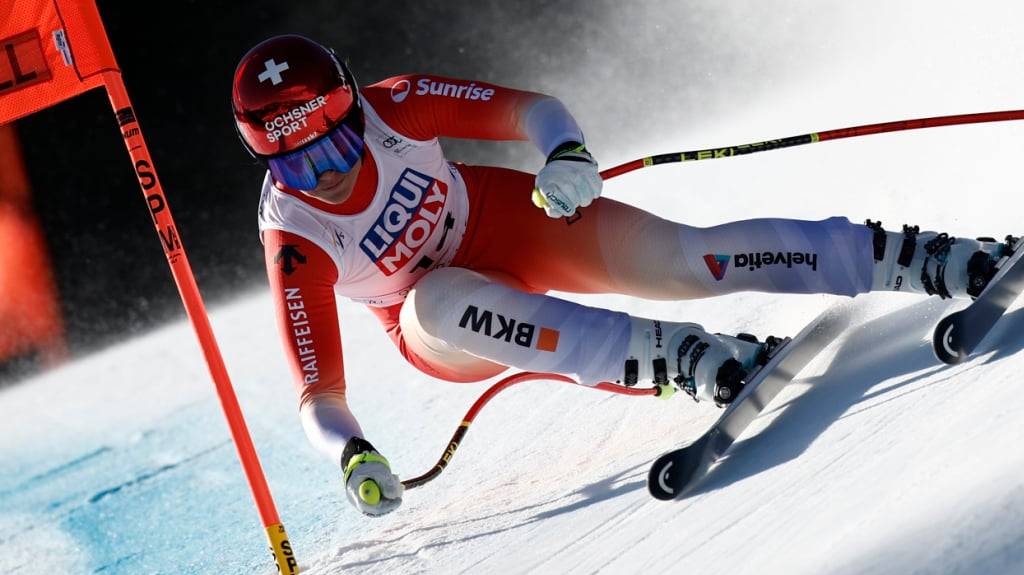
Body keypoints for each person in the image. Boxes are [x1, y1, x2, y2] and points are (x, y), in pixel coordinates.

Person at [231, 34, 1014, 517]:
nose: (327, 175)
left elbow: (532, 110)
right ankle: (686, 359)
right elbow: (318, 396)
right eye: (298, 166)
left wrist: (564, 154)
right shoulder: (295, 235)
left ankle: (937, 258)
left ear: (354, 114)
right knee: (437, 301)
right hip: (440, 327)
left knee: (690, 258)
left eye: (337, 147)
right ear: (268, 164)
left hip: (508, 221)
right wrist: (353, 453)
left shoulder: (395, 105)